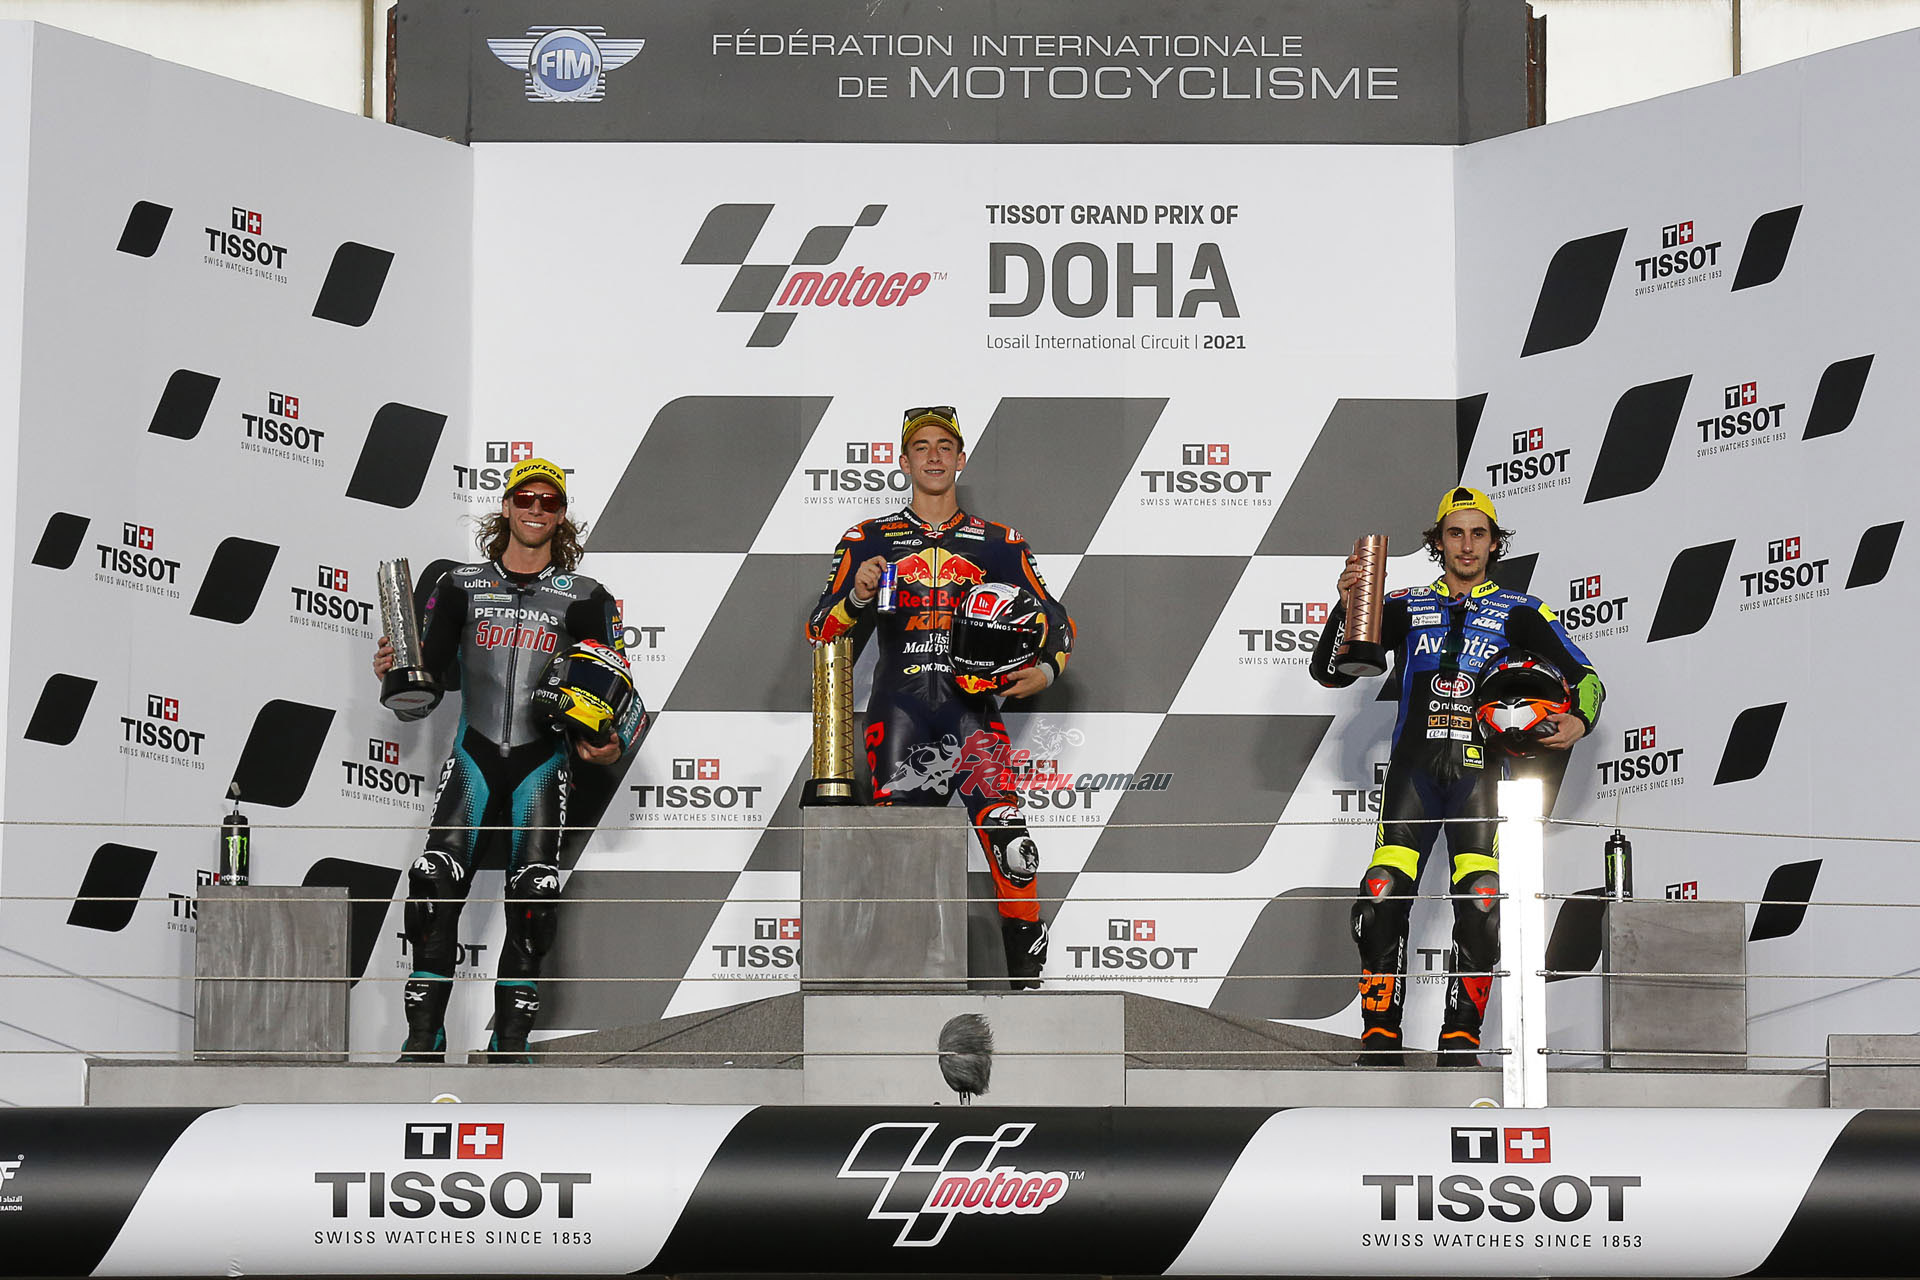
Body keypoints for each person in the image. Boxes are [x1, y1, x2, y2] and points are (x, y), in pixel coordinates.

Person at [1310, 485, 1604, 1065]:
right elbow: (1331, 673)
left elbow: (1586, 678)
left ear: (1494, 544)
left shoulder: (1522, 610)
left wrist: (1580, 719)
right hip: (1413, 778)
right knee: (1381, 893)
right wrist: (1346, 608)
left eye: (1478, 534)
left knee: (1482, 900)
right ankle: (1379, 1036)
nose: (1466, 545)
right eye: (1455, 533)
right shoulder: (1402, 604)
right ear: (1438, 542)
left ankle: (1461, 1041)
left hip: (1480, 780)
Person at [372, 457, 641, 1062]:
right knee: (433, 883)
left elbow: (618, 695)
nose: (536, 510)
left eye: (549, 502)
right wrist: (393, 670)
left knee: (534, 895)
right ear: (507, 507)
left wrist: (611, 743)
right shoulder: (459, 585)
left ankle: (509, 1044)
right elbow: (419, 693)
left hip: (542, 766)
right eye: (526, 499)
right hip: (472, 756)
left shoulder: (587, 597)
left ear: (562, 515)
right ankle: (424, 1039)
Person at [806, 406, 1075, 987]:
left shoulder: (999, 543)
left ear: (960, 459)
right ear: (903, 462)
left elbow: (1056, 620)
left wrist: (1048, 670)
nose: (933, 455)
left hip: (972, 713)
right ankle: (905, 995)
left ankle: (1027, 991)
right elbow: (821, 632)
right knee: (902, 864)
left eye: (944, 446)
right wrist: (857, 595)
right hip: (899, 714)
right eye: (921, 447)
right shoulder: (867, 539)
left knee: (1013, 849)